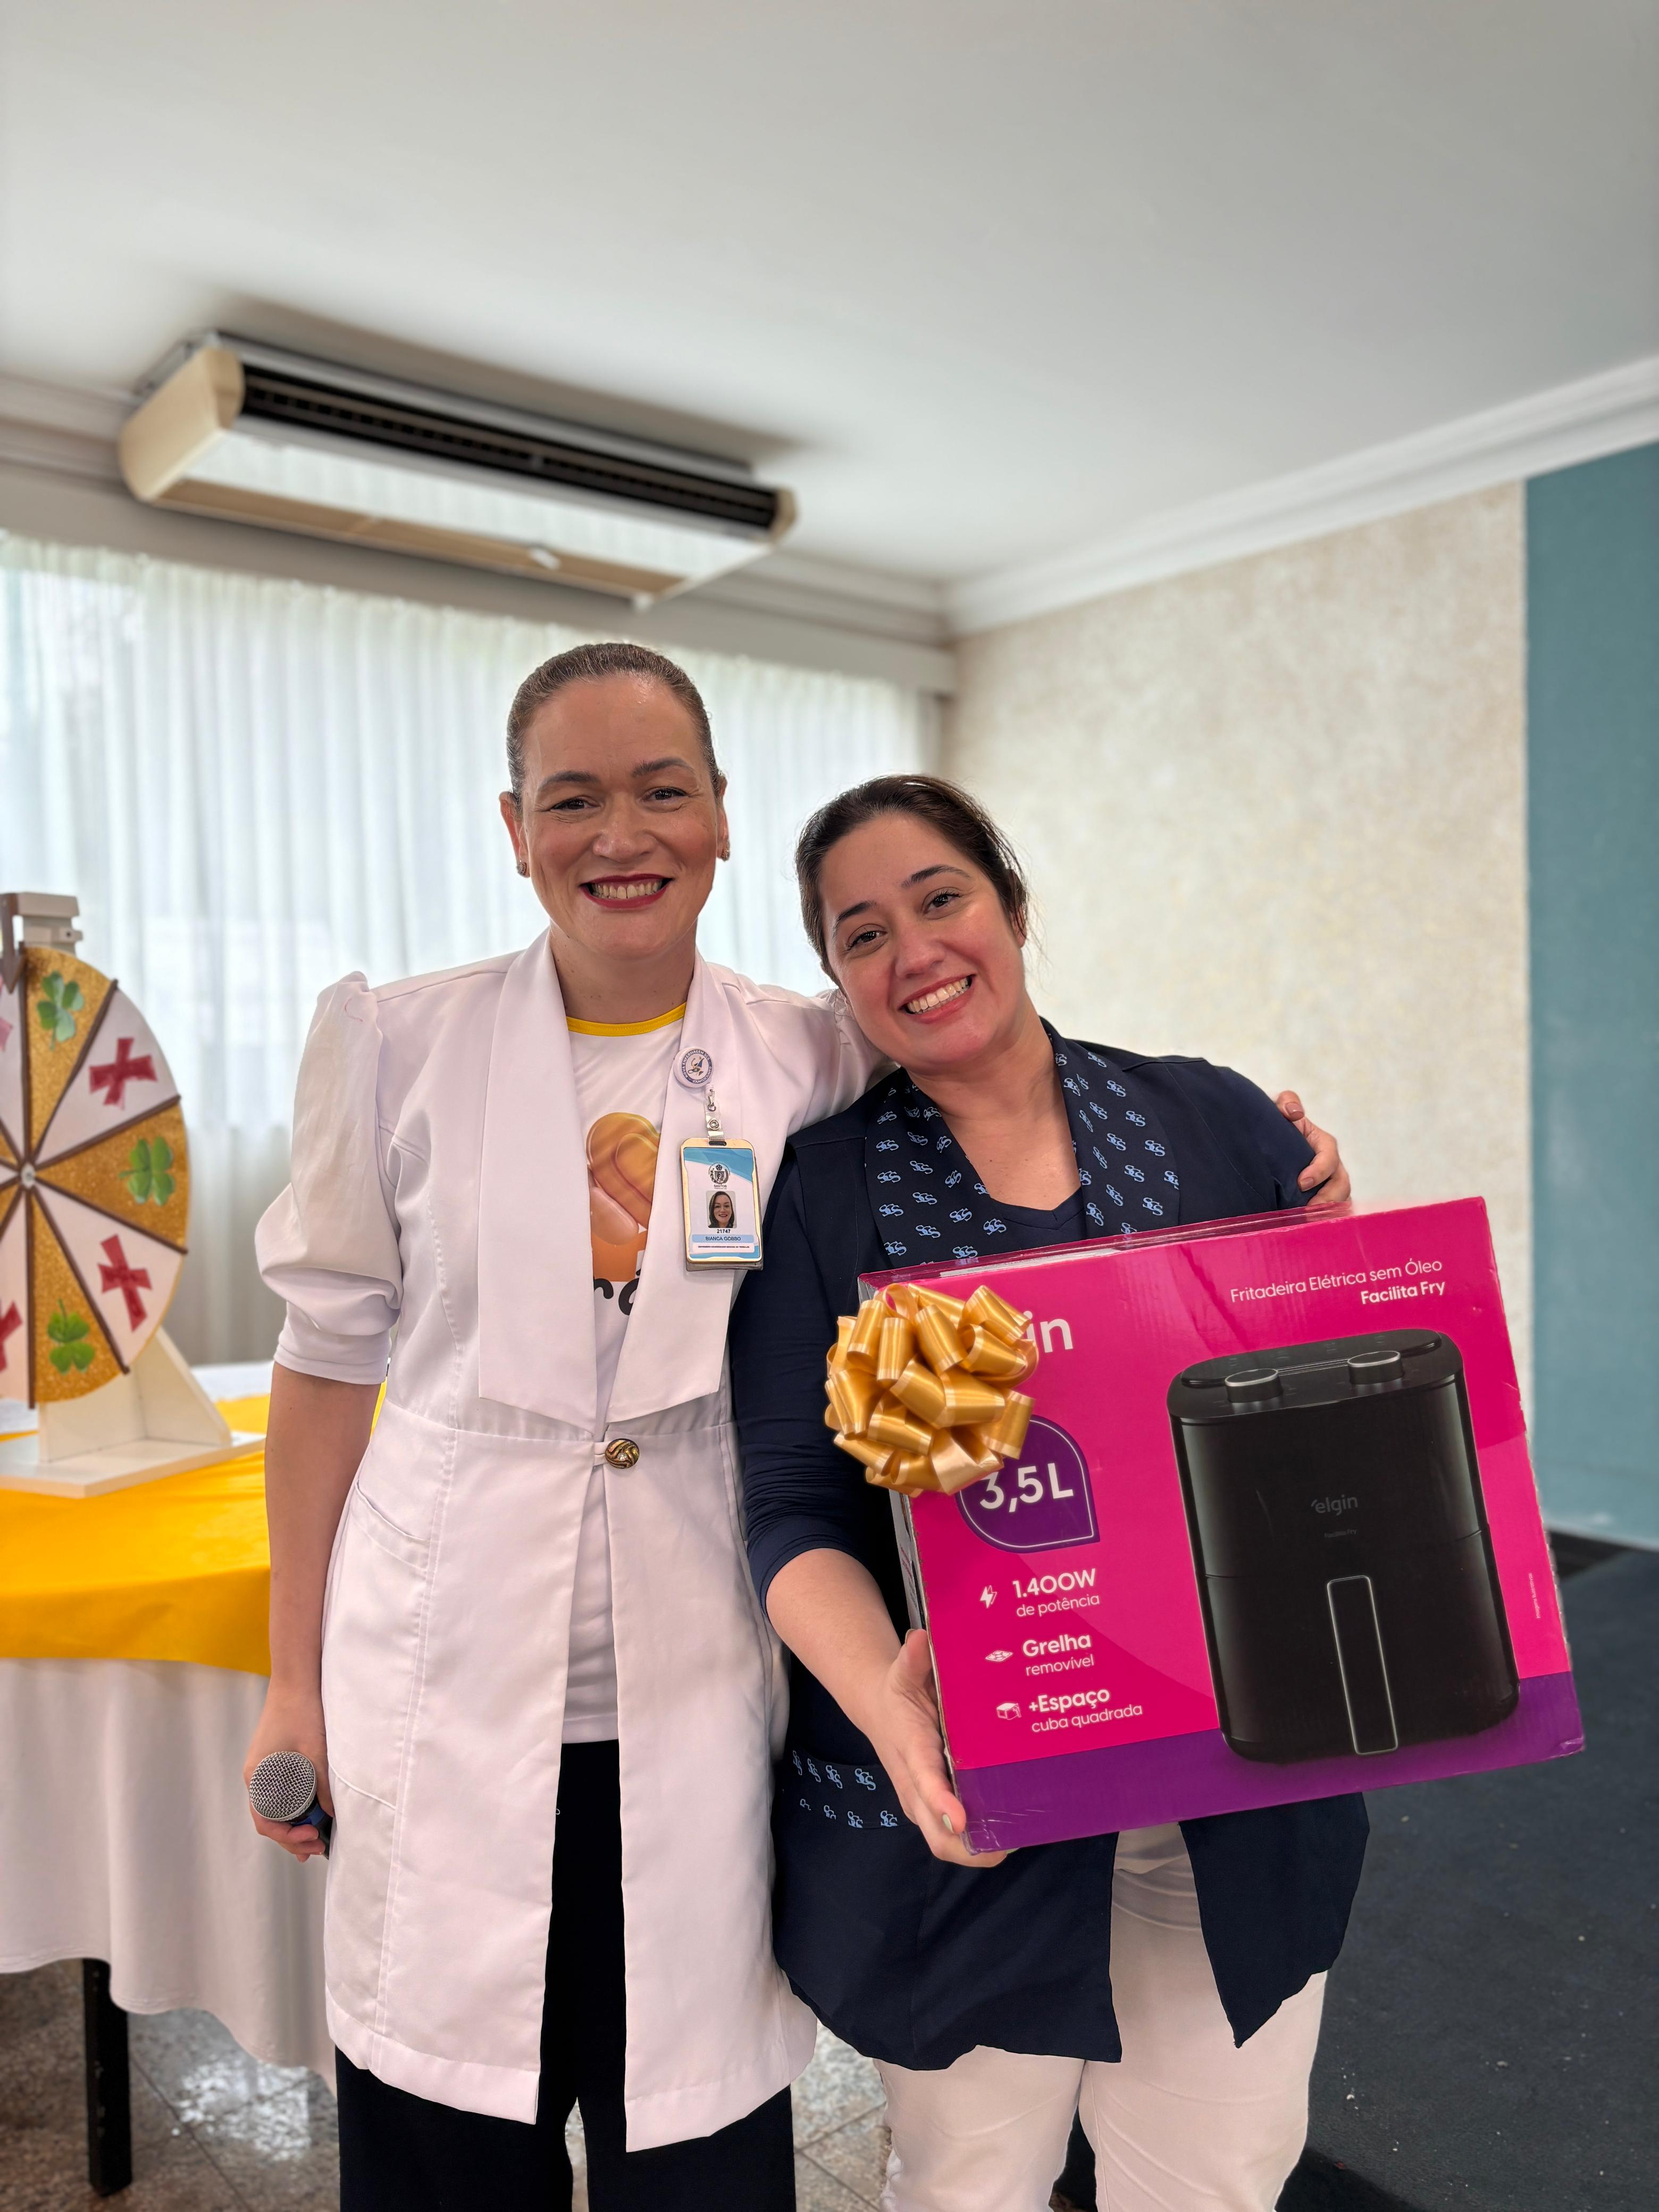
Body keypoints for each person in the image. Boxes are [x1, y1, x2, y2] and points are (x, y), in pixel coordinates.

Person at [245, 648, 1350, 2212]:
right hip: (448, 1665)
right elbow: (324, 1362)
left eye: (661, 791)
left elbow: (1024, 1106)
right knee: (446, 2136)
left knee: (697, 2134)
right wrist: (291, 1684)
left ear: (716, 816)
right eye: (572, 799)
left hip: (697, 1670)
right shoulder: (395, 1043)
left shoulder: (807, 1055)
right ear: (514, 826)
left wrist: (1299, 1182)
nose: (620, 834)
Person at [729, 775, 1370, 2212]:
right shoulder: (828, 1192)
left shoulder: (1211, 1125)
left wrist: (1342, 1244)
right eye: (862, 934)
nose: (914, 952)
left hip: (1237, 1770)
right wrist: (886, 1708)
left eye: (941, 898)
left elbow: (1331, 1408)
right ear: (837, 979)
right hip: (970, 1798)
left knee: (1212, 2177)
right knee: (969, 2179)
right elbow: (791, 1506)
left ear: (1011, 907)